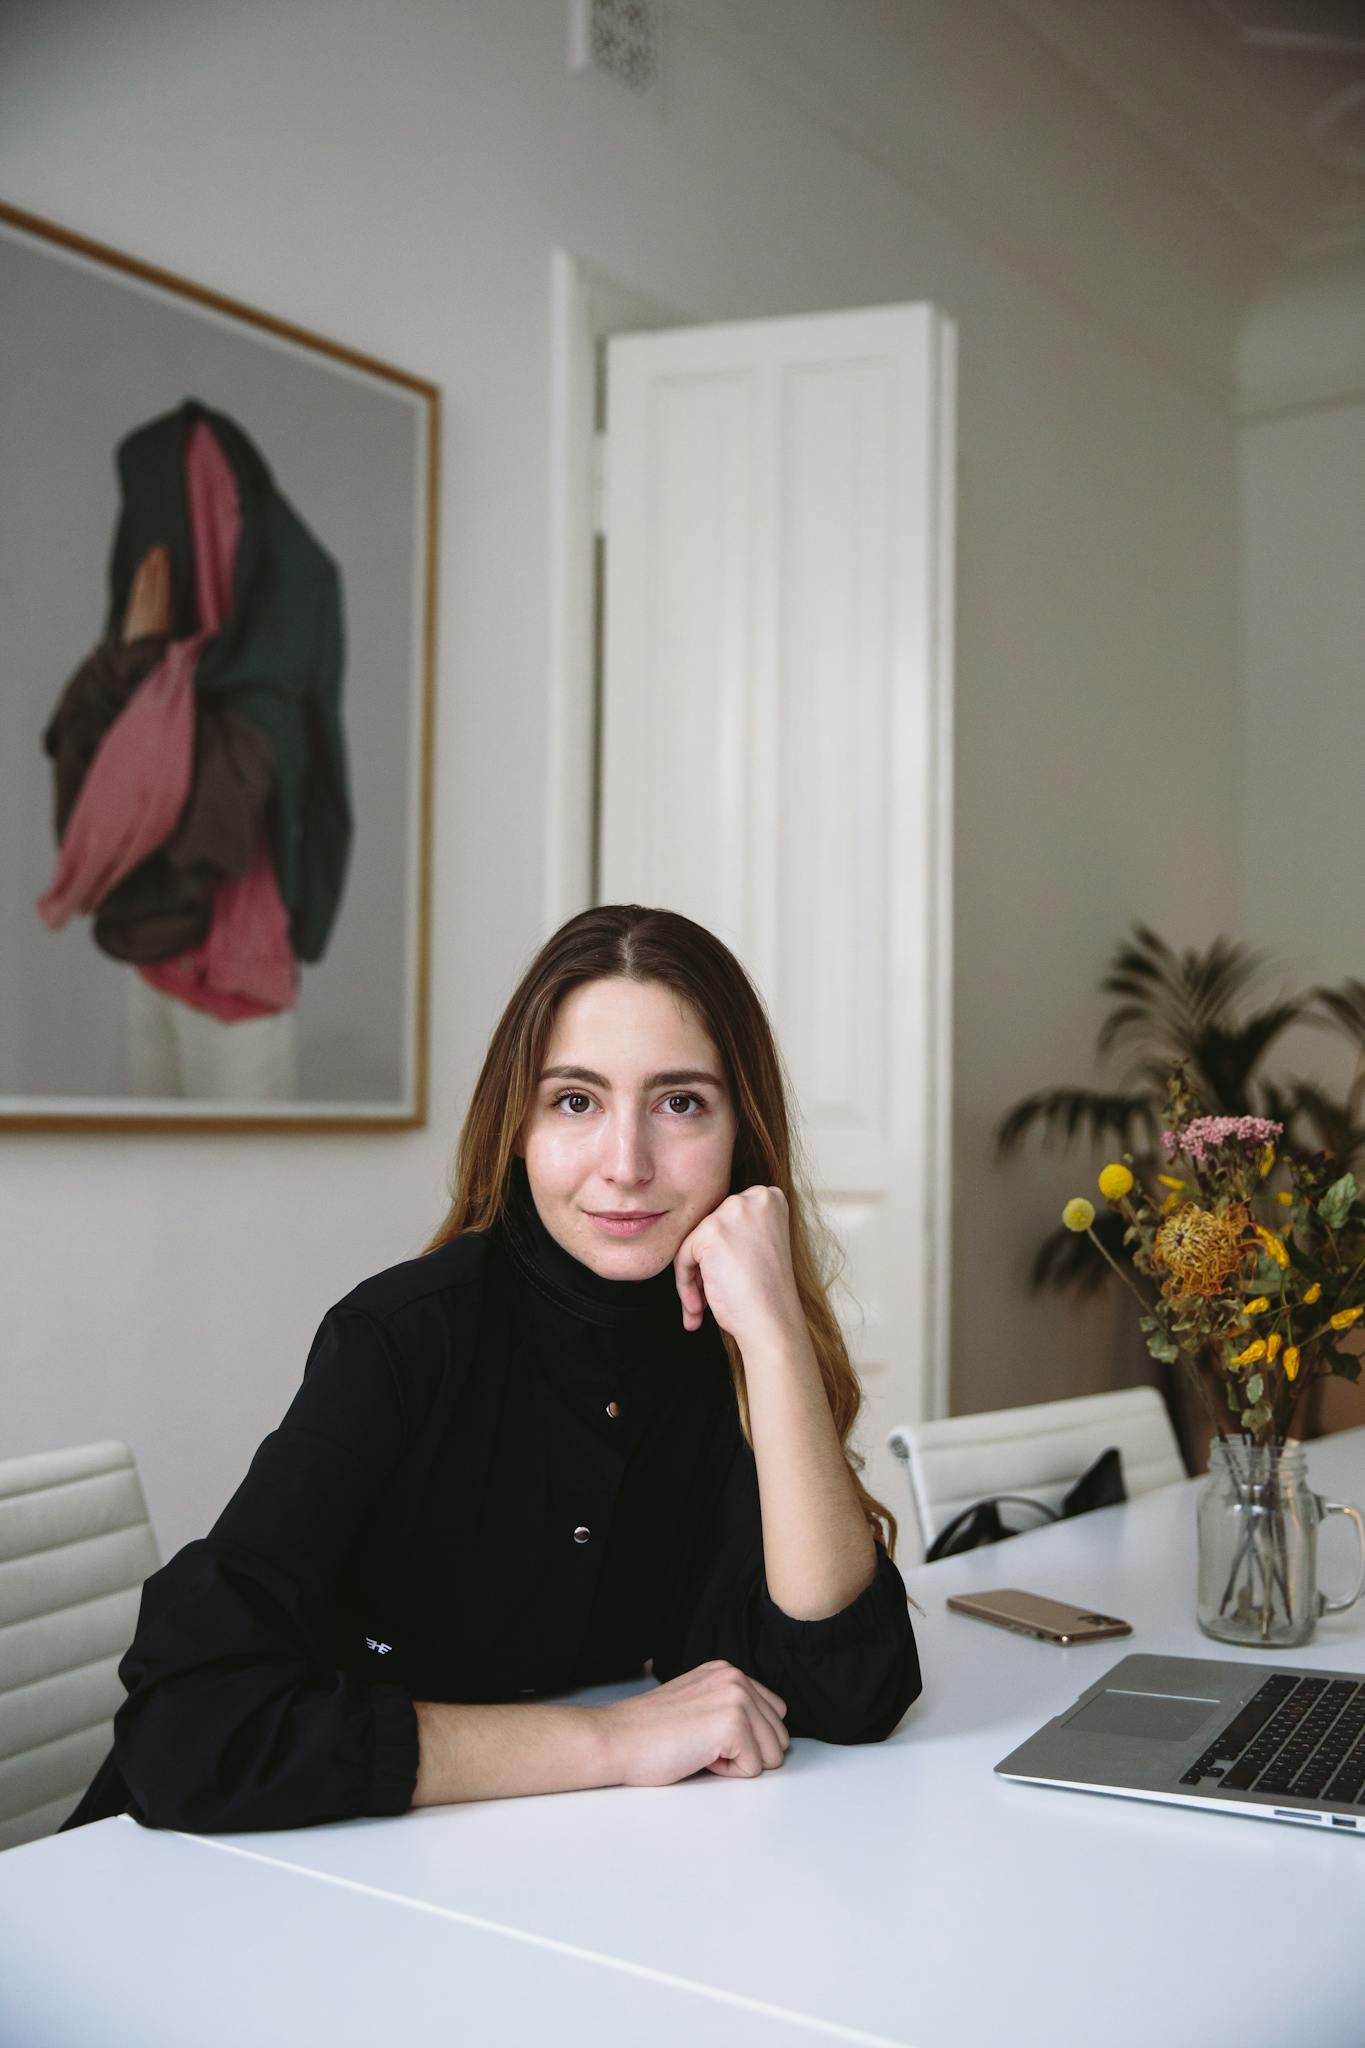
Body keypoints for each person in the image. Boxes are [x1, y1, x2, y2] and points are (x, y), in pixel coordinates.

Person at [62, 905, 921, 1834]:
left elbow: (844, 1694)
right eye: (576, 1101)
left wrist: (778, 1337)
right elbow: (189, 1730)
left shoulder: (719, 1341)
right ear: (518, 1127)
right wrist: (611, 1743)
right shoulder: (401, 1336)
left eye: (679, 1103)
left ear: (740, 1134)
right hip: (252, 1877)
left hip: (522, 1881)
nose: (626, 1164)